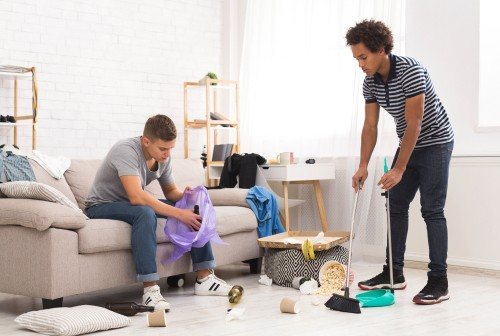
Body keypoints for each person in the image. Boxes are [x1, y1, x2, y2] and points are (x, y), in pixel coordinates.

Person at [346, 20, 454, 305]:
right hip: (409, 142)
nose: (360, 64)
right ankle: (393, 273)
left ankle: (439, 282)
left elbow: (415, 123)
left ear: (381, 49)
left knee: (432, 210)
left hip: (436, 142)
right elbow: (370, 126)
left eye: (363, 57)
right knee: (395, 203)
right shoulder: (370, 81)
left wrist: (399, 168)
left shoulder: (411, 70)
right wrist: (363, 165)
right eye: (356, 58)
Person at [85, 114, 232, 311]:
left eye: (171, 148)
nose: (167, 154)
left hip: (129, 204)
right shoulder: (126, 151)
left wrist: (185, 197)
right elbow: (137, 197)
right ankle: (150, 290)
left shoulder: (163, 157)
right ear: (146, 141)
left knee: (191, 211)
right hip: (101, 206)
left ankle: (204, 278)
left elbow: (170, 192)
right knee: (145, 213)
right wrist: (178, 214)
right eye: (163, 148)